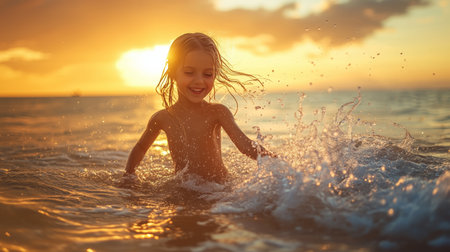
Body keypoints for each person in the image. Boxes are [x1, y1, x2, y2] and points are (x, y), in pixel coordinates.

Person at [124, 32, 273, 183]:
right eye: (189, 72)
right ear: (172, 72)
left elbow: (245, 146)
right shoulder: (162, 118)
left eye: (208, 74)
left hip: (218, 188)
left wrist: (277, 162)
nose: (199, 81)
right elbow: (141, 148)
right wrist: (128, 175)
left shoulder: (217, 112)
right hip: (185, 188)